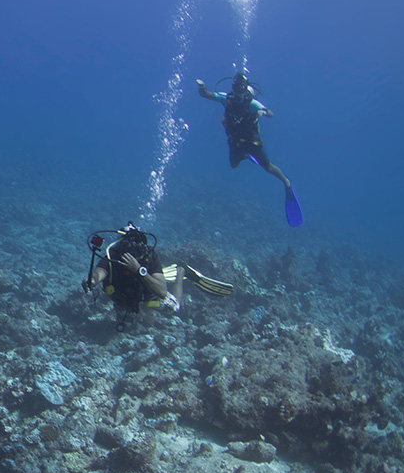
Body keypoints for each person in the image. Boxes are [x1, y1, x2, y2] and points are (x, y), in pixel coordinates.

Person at [83, 223, 231, 332]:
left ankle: (181, 271)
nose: (132, 251)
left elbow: (161, 291)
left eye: (136, 248)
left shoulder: (149, 257)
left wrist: (139, 269)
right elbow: (98, 274)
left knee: (175, 307)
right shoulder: (114, 255)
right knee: (127, 326)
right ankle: (147, 310)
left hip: (149, 296)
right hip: (124, 299)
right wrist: (91, 281)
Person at [197, 72, 302, 226]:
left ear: (245, 88)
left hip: (252, 143)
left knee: (268, 167)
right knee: (233, 165)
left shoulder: (252, 104)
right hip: (234, 141)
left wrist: (263, 112)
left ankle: (286, 182)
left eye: (241, 88)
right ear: (233, 87)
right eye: (236, 87)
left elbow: (270, 113)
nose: (238, 91)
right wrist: (201, 87)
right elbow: (206, 94)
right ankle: (244, 155)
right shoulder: (227, 99)